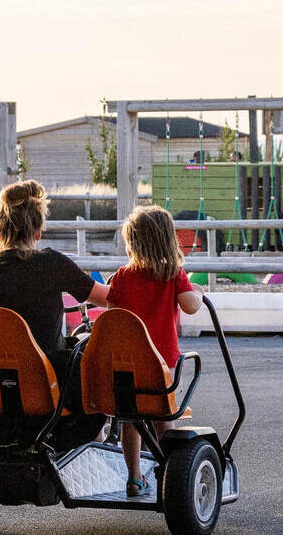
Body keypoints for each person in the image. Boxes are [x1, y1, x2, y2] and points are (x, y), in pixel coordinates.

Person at [0, 179, 109, 406]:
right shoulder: (51, 263)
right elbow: (106, 297)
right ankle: (96, 436)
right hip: (49, 385)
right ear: (37, 231)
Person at [105, 205, 203, 498]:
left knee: (131, 419)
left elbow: (113, 314)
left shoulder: (122, 276)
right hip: (162, 365)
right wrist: (198, 291)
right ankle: (167, 473)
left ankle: (134, 478)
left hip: (128, 365)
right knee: (164, 419)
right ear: (167, 239)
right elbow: (190, 305)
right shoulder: (173, 273)